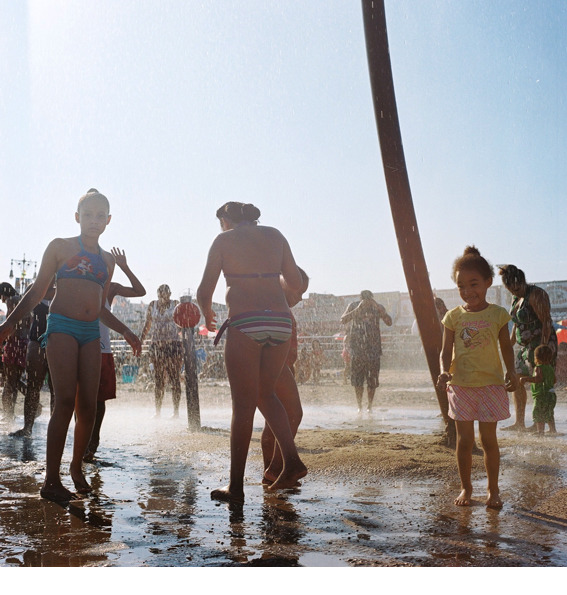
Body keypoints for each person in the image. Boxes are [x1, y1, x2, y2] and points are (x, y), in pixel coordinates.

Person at [0, 189, 141, 504]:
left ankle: (76, 469)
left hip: (91, 332)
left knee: (88, 407)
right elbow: (37, 292)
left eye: (100, 215)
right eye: (87, 215)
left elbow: (101, 307)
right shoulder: (59, 247)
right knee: (64, 400)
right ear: (77, 217)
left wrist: (127, 331)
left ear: (108, 220)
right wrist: (9, 324)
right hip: (62, 327)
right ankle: (51, 480)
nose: (94, 221)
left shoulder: (106, 260)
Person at [197, 201, 307, 504]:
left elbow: (205, 290)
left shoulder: (223, 240)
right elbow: (296, 284)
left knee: (243, 407)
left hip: (246, 322)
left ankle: (235, 487)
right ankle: (291, 461)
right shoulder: (276, 236)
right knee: (266, 393)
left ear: (225, 220)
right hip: (281, 322)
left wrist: (207, 314)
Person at [437, 246, 517, 509]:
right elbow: (445, 351)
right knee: (464, 441)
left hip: (491, 386)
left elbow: (506, 348)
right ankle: (466, 488)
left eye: (474, 284)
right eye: (461, 286)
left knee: (489, 440)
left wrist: (512, 372)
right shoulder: (453, 316)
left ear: (487, 283)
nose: (468, 291)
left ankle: (493, 490)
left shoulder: (497, 315)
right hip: (461, 386)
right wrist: (444, 370)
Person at [84, 248, 146, 461]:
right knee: (81, 398)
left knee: (99, 400)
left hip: (103, 348)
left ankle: (93, 443)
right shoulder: (82, 282)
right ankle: (83, 441)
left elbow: (140, 291)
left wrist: (125, 267)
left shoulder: (111, 288)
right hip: (83, 345)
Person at [261, 268, 309, 484]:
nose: (299, 298)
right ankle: (278, 467)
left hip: (280, 366)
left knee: (272, 422)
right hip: (276, 365)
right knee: (293, 414)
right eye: (297, 291)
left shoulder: (272, 301)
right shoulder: (273, 304)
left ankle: (271, 471)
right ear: (283, 282)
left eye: (302, 294)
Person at [499, 265, 558, 431]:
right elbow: (517, 324)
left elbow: (546, 321)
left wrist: (543, 348)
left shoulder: (536, 294)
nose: (514, 291)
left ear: (521, 281)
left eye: (515, 288)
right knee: (516, 378)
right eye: (510, 289)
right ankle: (519, 422)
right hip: (525, 346)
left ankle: (542, 425)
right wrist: (508, 344)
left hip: (541, 345)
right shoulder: (516, 299)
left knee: (541, 383)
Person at [10, 282, 56, 438]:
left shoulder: (64, 287)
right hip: (36, 341)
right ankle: (27, 427)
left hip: (59, 342)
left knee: (55, 389)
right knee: (32, 386)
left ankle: (55, 429)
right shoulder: (35, 287)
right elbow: (23, 311)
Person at [340, 290, 392, 412]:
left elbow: (389, 322)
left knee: (372, 380)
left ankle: (369, 406)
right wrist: (358, 309)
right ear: (360, 299)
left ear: (372, 299)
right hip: (357, 349)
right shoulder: (354, 305)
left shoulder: (377, 307)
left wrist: (379, 309)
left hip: (373, 350)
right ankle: (359, 406)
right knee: (357, 381)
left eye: (369, 300)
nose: (367, 303)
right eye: (365, 300)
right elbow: (343, 320)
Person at [140, 284, 183, 417]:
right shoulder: (152, 305)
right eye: (161, 295)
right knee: (158, 379)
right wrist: (140, 340)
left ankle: (176, 411)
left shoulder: (176, 304)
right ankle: (158, 411)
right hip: (157, 345)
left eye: (166, 294)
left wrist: (184, 337)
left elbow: (182, 323)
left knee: (174, 377)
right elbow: (148, 324)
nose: (164, 297)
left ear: (170, 294)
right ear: (158, 294)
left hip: (173, 344)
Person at [0, 282, 30, 422]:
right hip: (25, 344)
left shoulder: (11, 301)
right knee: (15, 380)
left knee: (8, 381)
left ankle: (7, 416)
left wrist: (3, 340)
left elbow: (10, 324)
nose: (1, 300)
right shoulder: (23, 299)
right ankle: (11, 413)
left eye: (1, 296)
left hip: (14, 343)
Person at [519, 344, 557, 435]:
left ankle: (540, 431)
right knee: (549, 413)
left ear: (537, 358)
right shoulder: (550, 368)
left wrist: (526, 379)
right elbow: (554, 380)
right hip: (551, 394)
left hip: (541, 395)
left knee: (538, 412)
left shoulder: (538, 368)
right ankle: (552, 430)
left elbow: (538, 379)